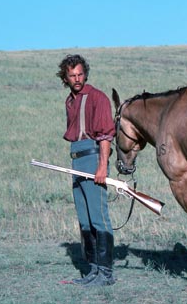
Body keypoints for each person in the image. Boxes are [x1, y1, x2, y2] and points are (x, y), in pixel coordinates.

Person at [56, 54, 116, 286]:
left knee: (99, 218)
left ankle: (106, 274)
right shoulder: (70, 101)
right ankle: (92, 270)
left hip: (93, 159)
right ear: (66, 77)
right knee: (84, 219)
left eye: (80, 74)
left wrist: (102, 166)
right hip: (76, 160)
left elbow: (105, 136)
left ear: (85, 74)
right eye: (72, 75)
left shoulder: (97, 98)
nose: (77, 78)